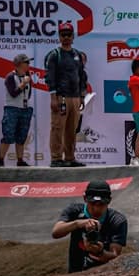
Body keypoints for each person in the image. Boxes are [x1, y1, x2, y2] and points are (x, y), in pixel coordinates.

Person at [51, 180, 127, 273]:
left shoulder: (117, 220)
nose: (96, 209)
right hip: (75, 272)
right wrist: (78, 224)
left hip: (103, 274)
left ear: (109, 201)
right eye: (92, 204)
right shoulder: (74, 211)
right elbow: (56, 232)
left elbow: (115, 257)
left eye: (101, 204)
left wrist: (100, 252)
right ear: (85, 198)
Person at [44, 21, 88, 168]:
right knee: (57, 128)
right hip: (61, 97)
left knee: (72, 129)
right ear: (59, 37)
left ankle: (70, 157)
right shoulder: (54, 55)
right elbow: (50, 77)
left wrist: (82, 95)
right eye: (63, 35)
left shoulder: (77, 55)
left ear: (73, 36)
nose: (66, 37)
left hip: (75, 97)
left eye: (69, 35)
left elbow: (82, 76)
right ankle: (56, 158)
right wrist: (53, 97)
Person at [0, 53, 34, 167]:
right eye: (26, 62)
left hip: (25, 109)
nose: (28, 64)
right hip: (12, 109)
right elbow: (13, 93)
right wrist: (23, 84)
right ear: (19, 64)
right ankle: (1, 161)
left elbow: (29, 94)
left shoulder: (27, 77)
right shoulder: (10, 77)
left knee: (22, 136)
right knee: (8, 135)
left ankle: (20, 160)